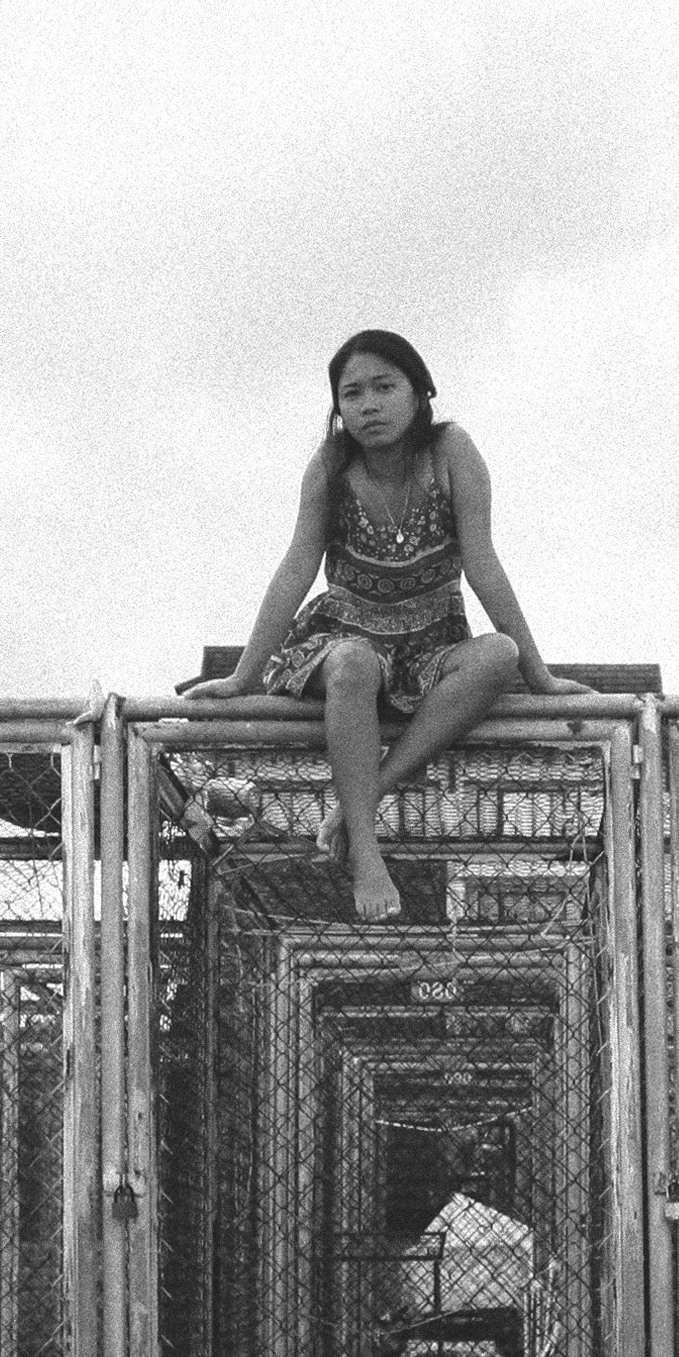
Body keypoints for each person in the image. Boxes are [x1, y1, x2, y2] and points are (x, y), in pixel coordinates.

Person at [182, 330, 582, 919]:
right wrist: (243, 677)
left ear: (419, 393)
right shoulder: (332, 466)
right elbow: (296, 567)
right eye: (352, 393)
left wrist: (541, 677)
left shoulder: (452, 452)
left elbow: (484, 563)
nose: (368, 404)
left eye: (384, 387)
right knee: (353, 663)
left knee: (497, 654)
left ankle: (358, 803)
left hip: (430, 644)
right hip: (345, 637)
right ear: (338, 408)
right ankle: (367, 855)